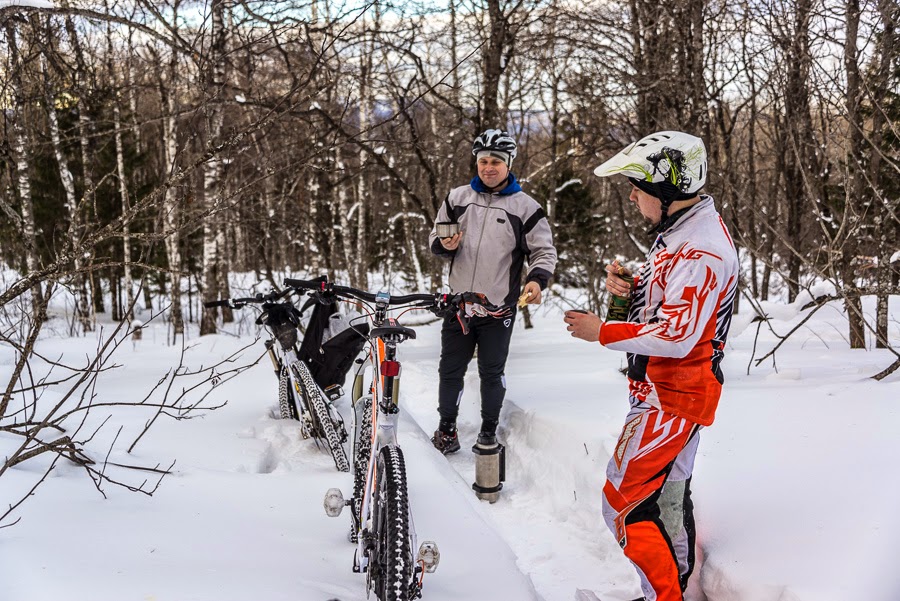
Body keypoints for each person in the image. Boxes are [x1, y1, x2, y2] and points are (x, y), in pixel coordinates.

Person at [563, 131, 738, 601]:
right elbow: (672, 308)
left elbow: (678, 335)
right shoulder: (680, 233)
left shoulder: (700, 251)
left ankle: (665, 596)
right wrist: (631, 292)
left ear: (666, 190)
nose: (632, 194)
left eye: (637, 185)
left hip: (673, 397)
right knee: (666, 499)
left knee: (621, 504)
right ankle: (675, 588)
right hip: (667, 393)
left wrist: (602, 330)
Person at [428, 129, 558, 454]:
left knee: (491, 371)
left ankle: (488, 431)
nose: (488, 167)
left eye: (496, 162)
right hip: (458, 307)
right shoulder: (457, 199)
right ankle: (446, 429)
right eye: (483, 161)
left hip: (498, 307)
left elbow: (544, 251)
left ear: (508, 163)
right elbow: (435, 238)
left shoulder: (525, 207)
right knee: (450, 370)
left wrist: (537, 279)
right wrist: (444, 245)